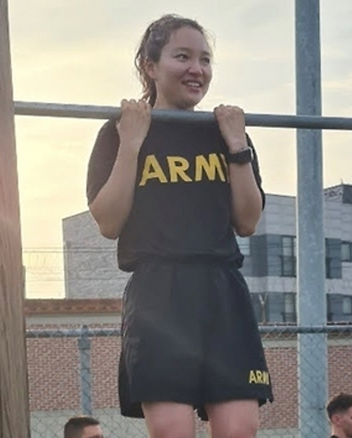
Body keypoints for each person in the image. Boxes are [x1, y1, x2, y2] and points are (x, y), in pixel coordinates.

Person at [86, 13, 273, 438]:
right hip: (159, 293)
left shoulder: (225, 132)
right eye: (183, 56)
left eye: (205, 59)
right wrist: (132, 144)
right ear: (150, 66)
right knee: (172, 431)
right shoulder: (119, 131)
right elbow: (109, 222)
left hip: (222, 289)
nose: (197, 69)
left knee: (240, 429)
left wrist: (237, 145)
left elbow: (247, 221)